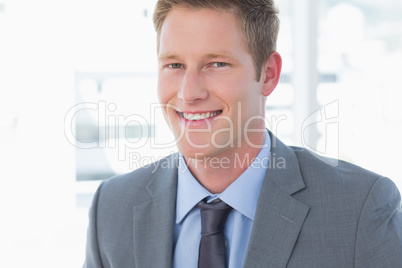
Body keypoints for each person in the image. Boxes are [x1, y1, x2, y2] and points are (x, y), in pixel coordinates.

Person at [84, 0, 402, 267]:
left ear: (268, 75)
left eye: (217, 64)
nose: (188, 92)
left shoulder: (359, 208)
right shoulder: (112, 208)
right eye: (174, 65)